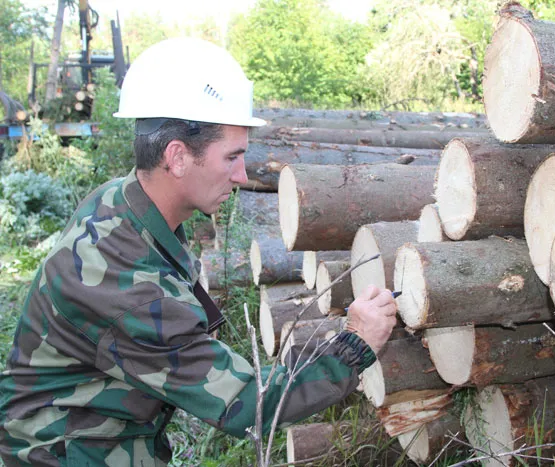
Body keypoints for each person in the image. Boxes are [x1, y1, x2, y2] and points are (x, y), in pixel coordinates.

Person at [0, 38, 397, 466]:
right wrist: (355, 344)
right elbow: (249, 403)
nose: (242, 175)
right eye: (232, 157)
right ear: (177, 156)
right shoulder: (127, 281)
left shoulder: (123, 200)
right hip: (62, 453)